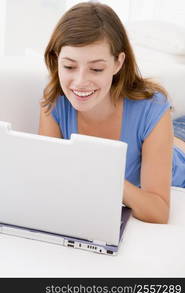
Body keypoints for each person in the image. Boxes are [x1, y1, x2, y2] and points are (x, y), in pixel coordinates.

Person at [39, 1, 185, 224]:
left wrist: (103, 172)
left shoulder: (153, 107)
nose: (80, 82)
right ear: (56, 59)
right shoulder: (53, 103)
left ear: (118, 63)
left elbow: (158, 211)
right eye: (69, 66)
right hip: (165, 134)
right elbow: (48, 182)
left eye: (96, 69)